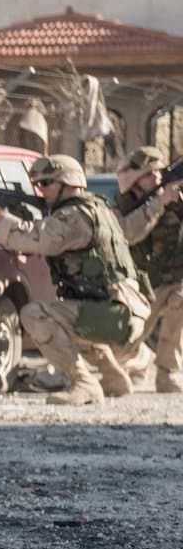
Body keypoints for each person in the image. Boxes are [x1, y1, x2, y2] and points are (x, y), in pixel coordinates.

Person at [0, 155, 151, 404]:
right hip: (121, 309)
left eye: (47, 184)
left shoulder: (75, 215)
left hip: (117, 314)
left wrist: (4, 221)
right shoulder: (96, 208)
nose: (40, 190)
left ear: (68, 183)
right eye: (38, 185)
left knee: (35, 314)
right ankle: (112, 380)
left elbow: (41, 239)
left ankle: (84, 384)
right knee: (69, 316)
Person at [114, 146, 183, 392]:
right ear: (135, 180)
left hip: (174, 279)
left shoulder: (176, 196)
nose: (157, 177)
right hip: (140, 284)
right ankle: (141, 362)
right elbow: (127, 234)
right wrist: (158, 204)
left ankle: (167, 372)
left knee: (180, 303)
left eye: (159, 172)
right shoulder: (123, 205)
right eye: (150, 173)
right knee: (125, 345)